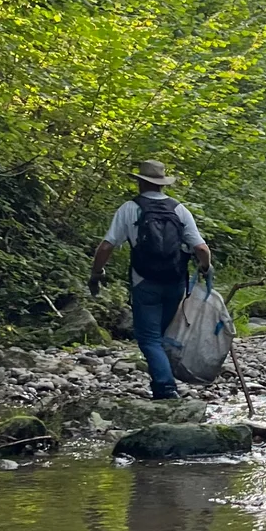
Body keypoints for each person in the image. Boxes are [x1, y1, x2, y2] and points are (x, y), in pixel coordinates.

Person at [89, 160, 211, 400]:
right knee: (163, 334)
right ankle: (165, 382)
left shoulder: (130, 208)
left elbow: (106, 246)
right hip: (176, 281)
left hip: (144, 281)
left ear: (140, 182)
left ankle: (165, 388)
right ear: (162, 184)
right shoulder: (179, 210)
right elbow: (202, 249)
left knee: (149, 338)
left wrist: (96, 273)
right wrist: (205, 269)